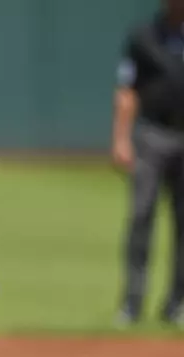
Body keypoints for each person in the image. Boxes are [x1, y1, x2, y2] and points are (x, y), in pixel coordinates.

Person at [112, 0, 184, 327]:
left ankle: (176, 305)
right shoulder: (145, 36)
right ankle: (131, 305)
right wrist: (121, 138)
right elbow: (127, 90)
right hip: (153, 134)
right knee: (141, 217)